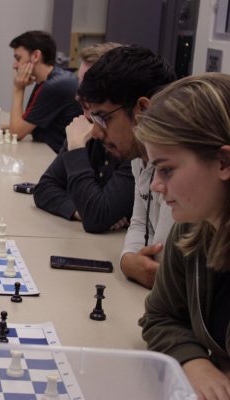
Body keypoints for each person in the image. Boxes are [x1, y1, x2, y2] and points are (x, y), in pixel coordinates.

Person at [137, 73, 230, 400]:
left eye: (167, 170)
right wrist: (194, 362)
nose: (156, 186)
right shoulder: (193, 229)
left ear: (223, 162)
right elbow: (159, 315)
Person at [76, 45, 176, 288]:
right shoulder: (138, 158)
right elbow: (140, 225)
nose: (97, 133)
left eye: (104, 119)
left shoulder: (180, 166)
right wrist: (127, 261)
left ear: (142, 109)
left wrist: (147, 268)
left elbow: (168, 270)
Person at [33, 42, 135, 233]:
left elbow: (97, 218)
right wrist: (80, 211)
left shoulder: (129, 142)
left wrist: (77, 148)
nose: (78, 96)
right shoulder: (83, 125)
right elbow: (44, 189)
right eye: (79, 84)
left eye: (87, 86)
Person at [7, 30, 82, 153]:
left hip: (61, 160)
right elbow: (29, 123)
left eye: (18, 58)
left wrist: (18, 89)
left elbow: (16, 133)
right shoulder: (48, 80)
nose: (15, 65)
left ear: (36, 56)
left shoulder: (54, 86)